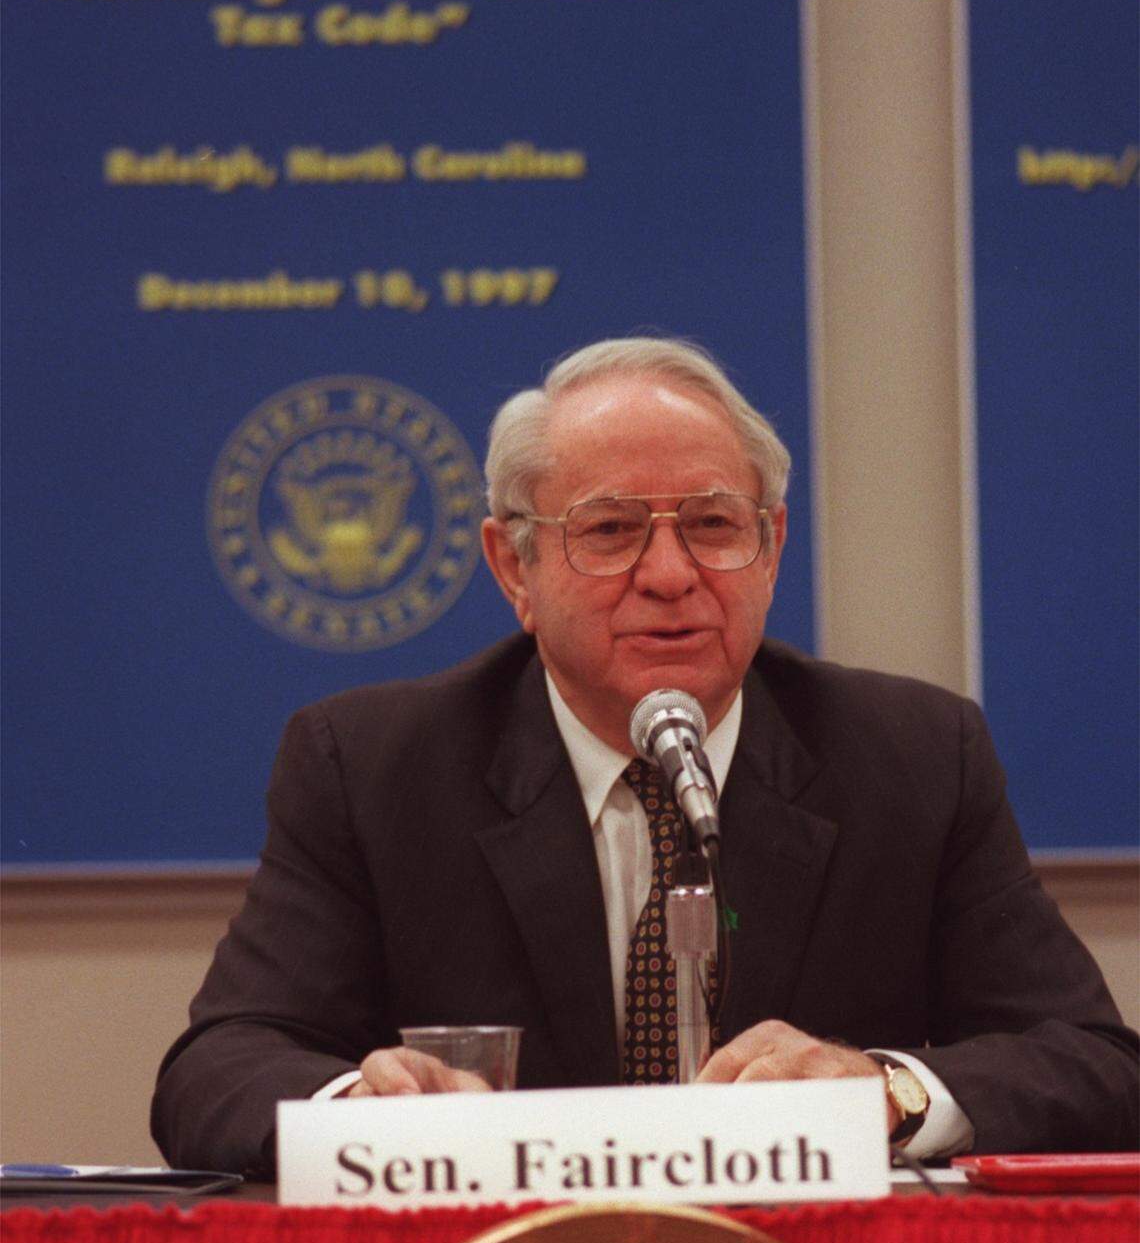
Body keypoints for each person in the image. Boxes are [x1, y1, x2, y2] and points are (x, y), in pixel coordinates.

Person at [152, 338, 1138, 1177]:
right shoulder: (373, 768)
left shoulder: (913, 756)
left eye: (713, 525)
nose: (670, 576)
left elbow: (1097, 1066)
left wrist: (886, 1092)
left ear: (771, 547)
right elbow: (216, 1070)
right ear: (513, 566)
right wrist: (362, 1113)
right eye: (611, 531)